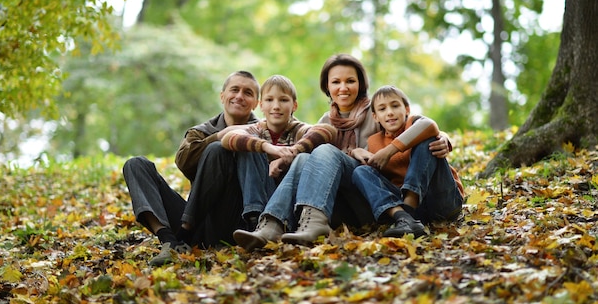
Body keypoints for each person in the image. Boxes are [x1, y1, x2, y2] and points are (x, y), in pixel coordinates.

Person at [233, 53, 452, 251]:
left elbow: (417, 127)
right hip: (345, 199)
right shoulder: (324, 122)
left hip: (374, 193)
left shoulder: (377, 111)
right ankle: (273, 223)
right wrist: (283, 158)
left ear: (360, 84)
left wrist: (443, 137)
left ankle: (315, 222)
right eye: (336, 82)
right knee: (303, 158)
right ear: (327, 87)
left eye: (350, 81)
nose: (343, 88)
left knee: (327, 151)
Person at [122, 70, 261, 266]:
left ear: (256, 102)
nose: (239, 96)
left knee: (217, 150)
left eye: (248, 93)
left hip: (233, 223)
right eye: (234, 90)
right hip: (196, 220)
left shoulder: (265, 134)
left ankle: (183, 235)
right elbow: (184, 163)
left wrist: (232, 141)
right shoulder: (201, 131)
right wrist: (220, 135)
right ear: (222, 96)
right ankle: (169, 241)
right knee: (135, 165)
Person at [221, 75, 336, 249]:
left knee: (304, 158)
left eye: (283, 100)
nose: (276, 106)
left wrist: (291, 153)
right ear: (261, 105)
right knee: (248, 147)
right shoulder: (257, 129)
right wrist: (268, 147)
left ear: (294, 106)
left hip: (290, 205)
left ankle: (272, 225)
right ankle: (255, 219)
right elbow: (228, 138)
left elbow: (327, 130)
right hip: (262, 199)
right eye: (269, 100)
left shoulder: (298, 130)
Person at [351, 85, 464, 237]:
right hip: (410, 210)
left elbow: (429, 125)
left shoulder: (415, 123)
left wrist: (389, 151)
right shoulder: (373, 142)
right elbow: (368, 172)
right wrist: (354, 151)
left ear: (407, 109)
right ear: (375, 117)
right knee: (360, 171)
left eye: (395, 106)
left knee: (426, 139)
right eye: (382, 109)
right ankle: (403, 217)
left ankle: (409, 210)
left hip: (442, 202)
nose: (390, 112)